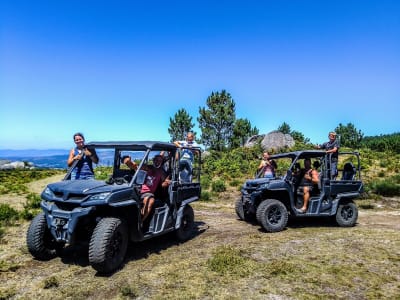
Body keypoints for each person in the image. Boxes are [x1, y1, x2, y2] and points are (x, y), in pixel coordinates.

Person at [121, 155, 170, 222]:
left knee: (150, 200)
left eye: (159, 161)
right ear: (153, 160)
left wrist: (167, 182)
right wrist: (128, 162)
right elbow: (135, 167)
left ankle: (140, 222)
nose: (157, 162)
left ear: (161, 162)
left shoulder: (161, 172)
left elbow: (163, 184)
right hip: (138, 189)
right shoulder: (148, 167)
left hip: (148, 192)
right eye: (156, 160)